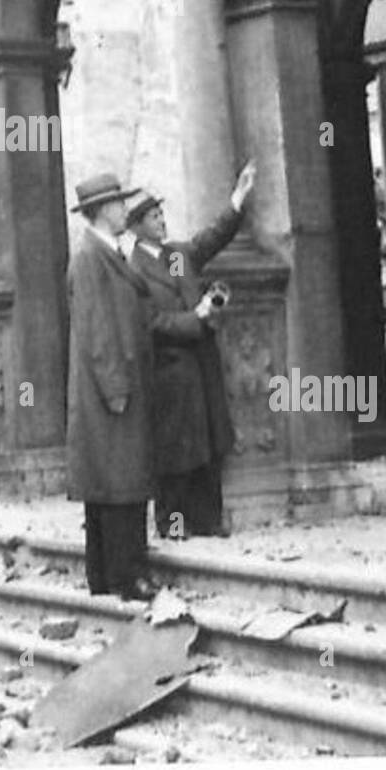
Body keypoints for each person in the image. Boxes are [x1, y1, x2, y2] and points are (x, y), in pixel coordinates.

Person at [124, 161, 257, 540]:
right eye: (152, 217)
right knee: (176, 454)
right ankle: (174, 524)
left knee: (208, 447)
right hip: (169, 372)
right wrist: (196, 317)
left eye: (161, 214)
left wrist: (237, 201)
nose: (161, 221)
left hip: (200, 365)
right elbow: (151, 324)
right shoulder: (133, 268)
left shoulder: (176, 255)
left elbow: (210, 239)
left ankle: (209, 521)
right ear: (136, 227)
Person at [65, 172, 165, 600]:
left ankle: (106, 574)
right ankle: (128, 576)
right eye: (120, 204)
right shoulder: (90, 258)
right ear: (104, 210)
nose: (126, 210)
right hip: (111, 390)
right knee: (120, 482)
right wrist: (115, 388)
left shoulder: (106, 253)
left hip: (114, 387)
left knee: (112, 482)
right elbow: (97, 331)